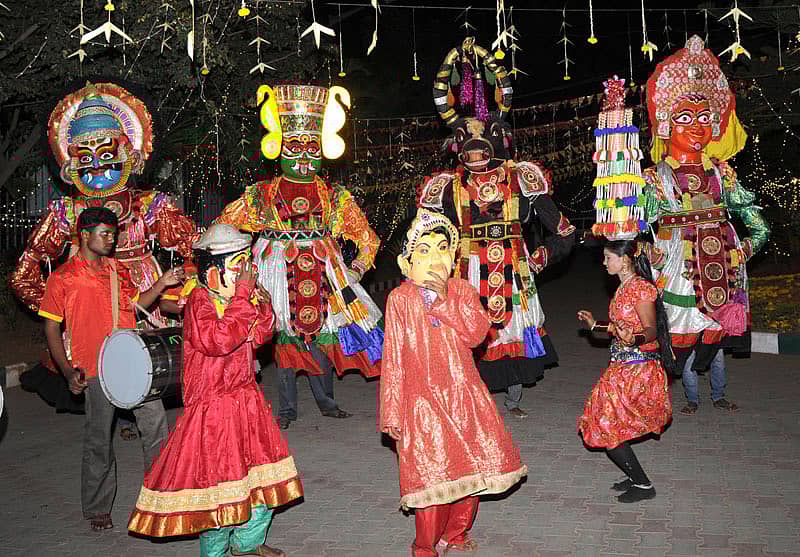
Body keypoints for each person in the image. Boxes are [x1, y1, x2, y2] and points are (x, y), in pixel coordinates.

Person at [12, 82, 197, 437]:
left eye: (108, 157)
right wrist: (59, 305)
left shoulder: (149, 203)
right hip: (92, 296)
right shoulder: (66, 210)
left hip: (144, 294)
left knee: (145, 359)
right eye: (87, 159)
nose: (98, 167)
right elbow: (27, 267)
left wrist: (181, 292)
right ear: (70, 164)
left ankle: (144, 419)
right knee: (102, 360)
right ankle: (123, 419)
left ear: (129, 154)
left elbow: (193, 246)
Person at [420, 37, 575, 418]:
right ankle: (473, 400)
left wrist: (539, 257)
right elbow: (423, 236)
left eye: (482, 143)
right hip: (467, 269)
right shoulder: (446, 186)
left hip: (514, 266)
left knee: (514, 330)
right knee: (469, 331)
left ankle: (513, 399)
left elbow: (565, 230)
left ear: (497, 140)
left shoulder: (521, 177)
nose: (474, 153)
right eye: (466, 146)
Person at [128, 224, 302, 557]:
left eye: (246, 264)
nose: (245, 273)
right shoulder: (198, 300)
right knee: (219, 493)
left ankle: (247, 544)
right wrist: (242, 297)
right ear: (214, 270)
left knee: (263, 483)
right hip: (212, 413)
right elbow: (218, 341)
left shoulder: (239, 295)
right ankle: (216, 553)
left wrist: (261, 305)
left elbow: (261, 335)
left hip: (246, 402)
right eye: (238, 265)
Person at [216, 84, 382, 430]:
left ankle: (327, 402)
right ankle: (287, 409)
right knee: (281, 336)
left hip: (324, 269)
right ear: (280, 148)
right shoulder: (262, 194)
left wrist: (356, 267)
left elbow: (367, 238)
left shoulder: (334, 196)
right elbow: (223, 229)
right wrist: (236, 269)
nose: (304, 156)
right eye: (295, 147)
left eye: (311, 147)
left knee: (321, 335)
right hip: (275, 270)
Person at [380, 209, 527, 556]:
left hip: (464, 397)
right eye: (424, 251)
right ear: (407, 263)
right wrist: (392, 412)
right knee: (431, 480)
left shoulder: (461, 290)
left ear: (455, 255)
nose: (435, 258)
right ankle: (425, 547)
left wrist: (444, 301)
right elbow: (394, 359)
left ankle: (456, 534)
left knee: (470, 473)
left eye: (443, 248)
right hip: (421, 403)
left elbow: (478, 334)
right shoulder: (400, 299)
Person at [641, 37, 770, 414]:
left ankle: (716, 394)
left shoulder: (721, 171)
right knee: (679, 335)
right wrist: (645, 251)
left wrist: (746, 248)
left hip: (722, 266)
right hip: (678, 266)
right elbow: (637, 225)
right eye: (684, 117)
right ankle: (675, 398)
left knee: (714, 333)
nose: (696, 127)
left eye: (703, 117)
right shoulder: (656, 176)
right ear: (666, 124)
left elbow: (757, 224)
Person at [38, 207, 183, 531]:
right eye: (104, 234)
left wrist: (161, 283)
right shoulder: (63, 277)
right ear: (84, 235)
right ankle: (97, 508)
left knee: (156, 426)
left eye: (113, 234)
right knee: (99, 441)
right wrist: (66, 370)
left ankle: (162, 496)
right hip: (94, 369)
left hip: (133, 363)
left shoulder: (117, 270)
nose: (111, 240)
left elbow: (138, 307)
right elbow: (51, 329)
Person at [577, 239, 676, 503]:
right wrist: (595, 325)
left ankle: (644, 485)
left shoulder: (641, 289)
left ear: (625, 260)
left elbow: (651, 330)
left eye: (608, 258)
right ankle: (634, 477)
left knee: (607, 423)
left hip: (638, 369)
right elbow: (621, 328)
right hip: (622, 366)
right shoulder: (625, 287)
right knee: (605, 419)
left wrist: (634, 339)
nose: (604, 263)